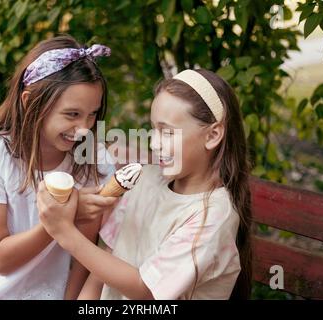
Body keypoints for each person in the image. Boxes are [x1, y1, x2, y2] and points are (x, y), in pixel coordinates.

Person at [38, 68, 253, 300]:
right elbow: (104, 267)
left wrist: (64, 232)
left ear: (212, 135)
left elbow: (147, 290)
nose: (155, 144)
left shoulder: (212, 217)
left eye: (167, 132)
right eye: (153, 130)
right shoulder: (145, 180)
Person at [0, 35, 118, 299]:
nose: (84, 129)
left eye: (92, 114)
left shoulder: (93, 161)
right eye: (72, 114)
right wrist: (61, 218)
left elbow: (82, 261)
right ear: (29, 102)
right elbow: (0, 259)